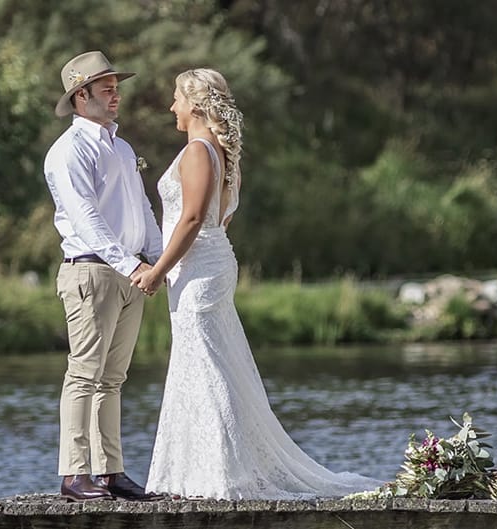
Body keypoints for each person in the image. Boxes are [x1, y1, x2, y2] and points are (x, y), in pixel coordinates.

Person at [133, 69, 383, 499]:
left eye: (176, 98)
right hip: (207, 262)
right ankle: (205, 471)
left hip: (199, 270)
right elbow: (221, 218)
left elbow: (192, 219)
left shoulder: (197, 151)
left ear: (195, 105)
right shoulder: (220, 153)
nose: (172, 107)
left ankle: (221, 474)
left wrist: (157, 271)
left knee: (205, 367)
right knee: (209, 364)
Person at [43, 51, 164, 502]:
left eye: (116, 88)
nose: (116, 96)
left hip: (128, 271)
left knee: (112, 379)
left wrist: (158, 260)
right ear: (81, 96)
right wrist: (132, 265)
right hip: (91, 270)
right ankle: (74, 474)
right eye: (107, 89)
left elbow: (142, 209)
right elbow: (87, 218)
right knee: (84, 374)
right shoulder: (68, 151)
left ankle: (110, 471)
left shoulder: (122, 147)